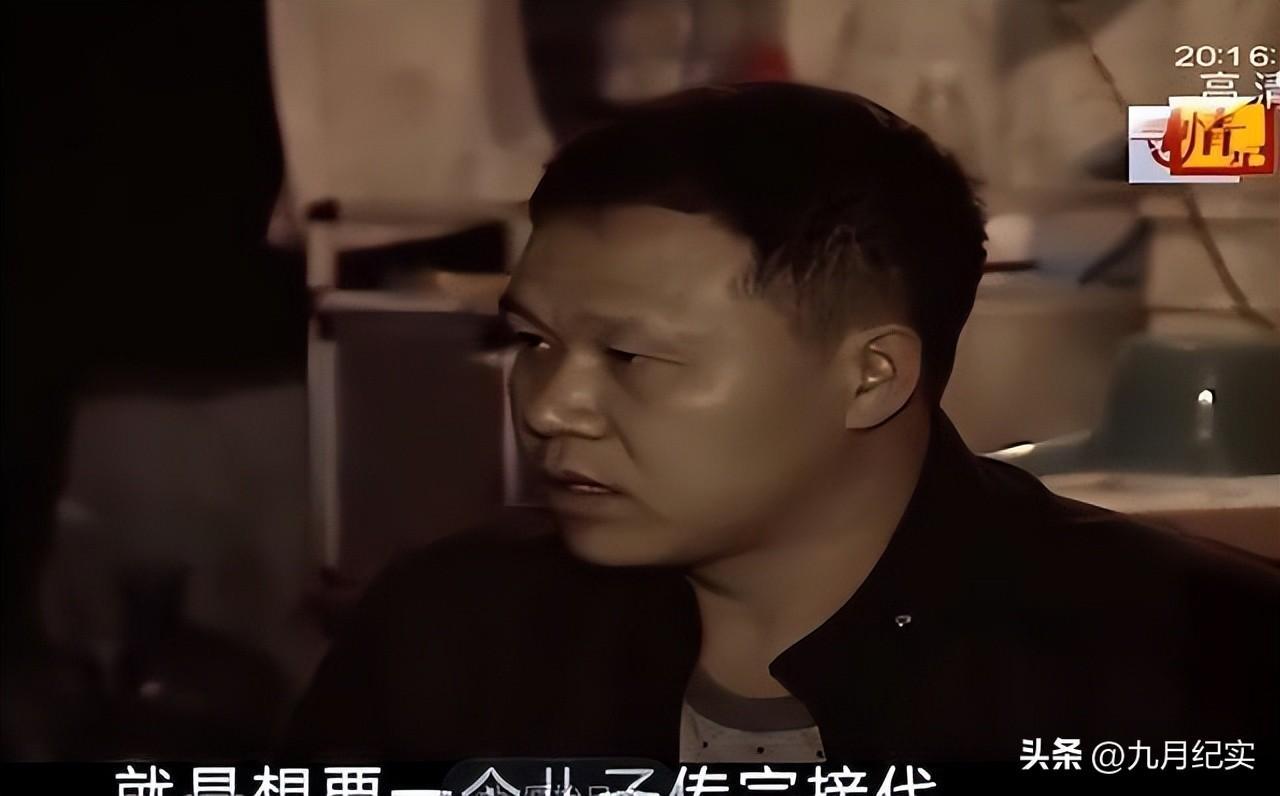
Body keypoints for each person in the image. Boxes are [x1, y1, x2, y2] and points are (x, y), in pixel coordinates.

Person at [283, 83, 1279, 766]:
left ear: (871, 375)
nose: (547, 405)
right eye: (533, 341)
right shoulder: (447, 634)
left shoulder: (1188, 658)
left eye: (628, 357)